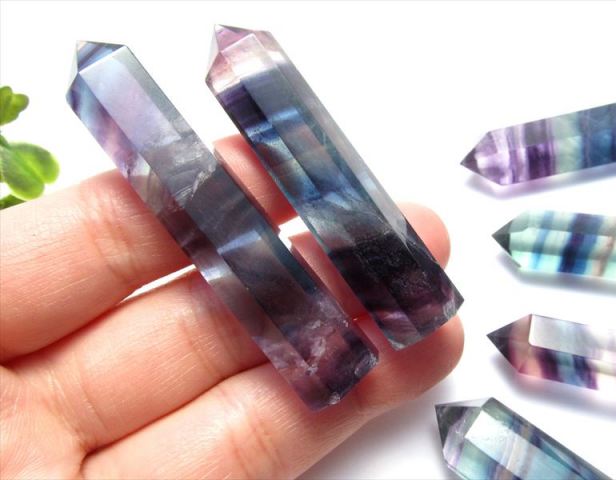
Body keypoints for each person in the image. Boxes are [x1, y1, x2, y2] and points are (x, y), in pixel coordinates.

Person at [0, 136, 463, 479]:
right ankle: (364, 348)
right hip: (326, 359)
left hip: (378, 324)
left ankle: (396, 325)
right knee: (337, 358)